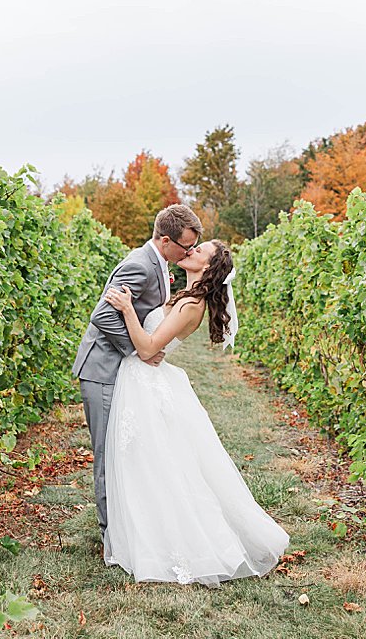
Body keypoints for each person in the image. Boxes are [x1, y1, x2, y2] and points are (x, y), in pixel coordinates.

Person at [99, 239, 290, 586]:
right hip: (142, 382)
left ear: (208, 267)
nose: (191, 251)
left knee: (161, 467)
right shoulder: (181, 294)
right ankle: (146, 533)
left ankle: (176, 544)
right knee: (147, 466)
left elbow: (147, 349)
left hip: (146, 379)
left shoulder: (191, 305)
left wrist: (127, 309)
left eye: (199, 251)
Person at [72, 204, 203, 539]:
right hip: (103, 369)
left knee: (125, 449)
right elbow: (102, 316)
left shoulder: (159, 265)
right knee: (106, 454)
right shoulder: (138, 265)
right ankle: (110, 536)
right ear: (164, 240)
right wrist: (138, 351)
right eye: (185, 246)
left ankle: (127, 527)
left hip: (124, 371)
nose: (188, 252)